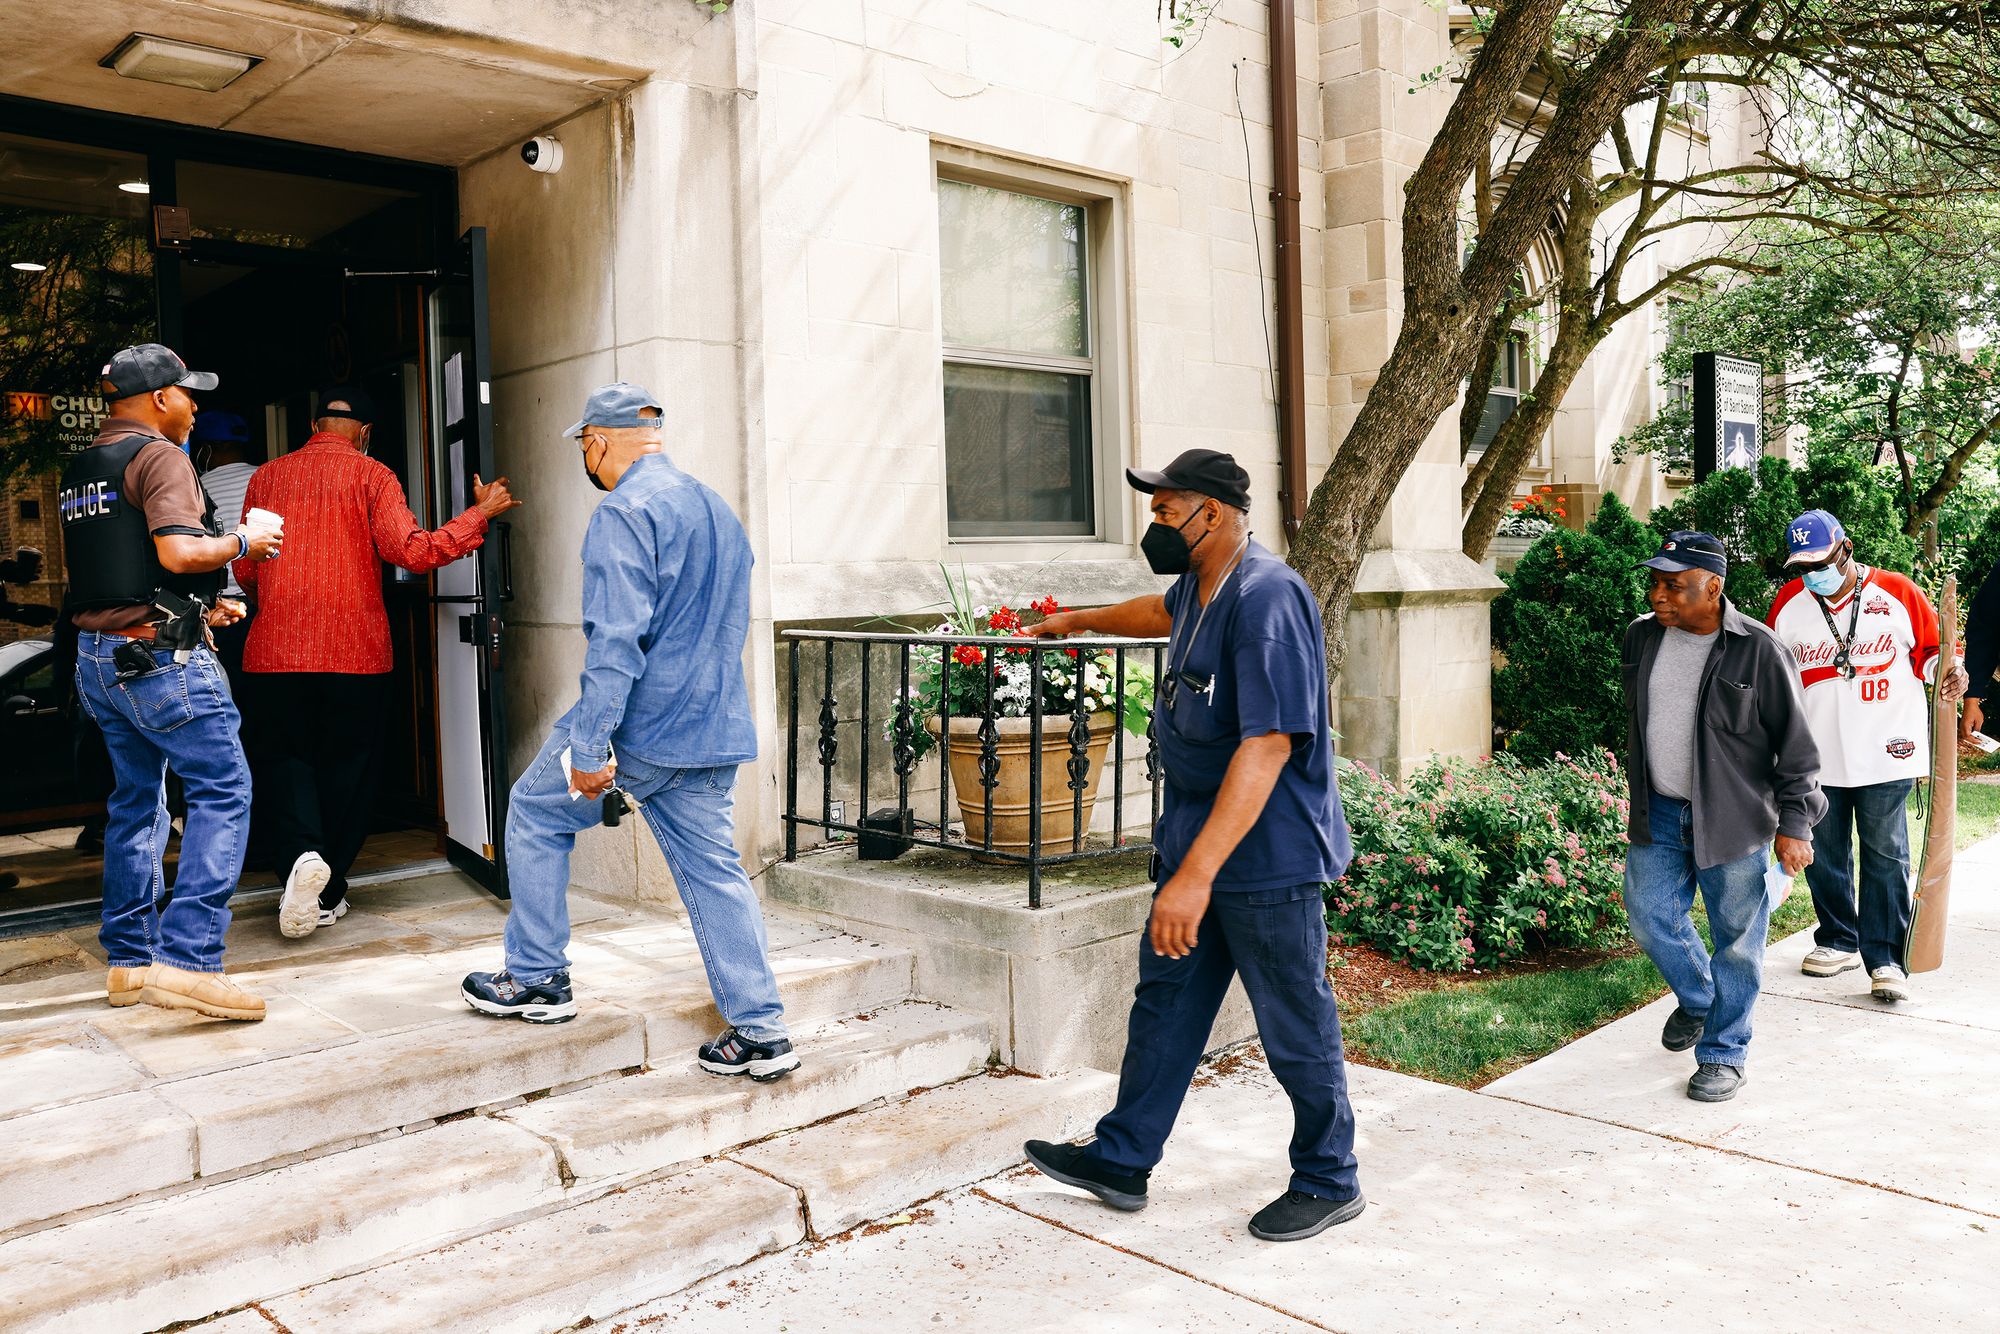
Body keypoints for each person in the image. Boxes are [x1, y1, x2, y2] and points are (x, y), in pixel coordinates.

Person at [1017, 449, 1362, 1244]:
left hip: (1265, 857)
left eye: (1167, 511)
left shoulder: (1266, 597)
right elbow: (1161, 614)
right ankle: (1122, 1157)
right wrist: (1077, 622)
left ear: (1216, 513)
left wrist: (1193, 878)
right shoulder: (1203, 587)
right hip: (1199, 844)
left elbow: (1269, 745)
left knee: (1294, 1023)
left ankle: (1329, 1177)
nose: (1155, 524)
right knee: (1165, 1007)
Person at [460, 384, 797, 1076]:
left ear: (598, 442)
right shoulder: (716, 509)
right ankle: (761, 1031)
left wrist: (589, 748)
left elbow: (616, 643)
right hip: (713, 724)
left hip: (641, 731)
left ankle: (536, 978)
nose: (586, 457)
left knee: (530, 809)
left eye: (585, 446)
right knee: (715, 875)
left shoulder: (624, 512)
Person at [234, 385, 517, 938]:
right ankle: (329, 886)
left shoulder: (266, 477)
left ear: (314, 425)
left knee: (284, 763)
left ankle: (299, 863)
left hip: (275, 653)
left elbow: (247, 566)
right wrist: (476, 517)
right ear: (365, 432)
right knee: (348, 771)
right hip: (355, 654)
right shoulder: (373, 474)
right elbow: (411, 550)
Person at [57, 343, 282, 1021]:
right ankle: (190, 960)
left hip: (99, 656)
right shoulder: (161, 456)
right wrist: (246, 542)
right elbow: (180, 551)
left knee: (136, 803)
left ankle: (129, 962)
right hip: (158, 659)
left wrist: (200, 602)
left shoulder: (82, 468)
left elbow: (107, 570)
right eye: (189, 393)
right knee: (223, 790)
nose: (194, 406)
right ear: (159, 397)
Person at [1622, 531, 1825, 1103]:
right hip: (1660, 812)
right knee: (1648, 914)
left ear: (1713, 587)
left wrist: (1796, 825)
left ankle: (1723, 1053)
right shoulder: (1642, 637)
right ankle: (1701, 999)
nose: (1659, 595)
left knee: (1737, 941)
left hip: (1735, 820)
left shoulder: (1759, 649)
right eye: (1656, 582)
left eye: (1674, 585)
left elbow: (1799, 748)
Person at [1768, 511, 1965, 1001]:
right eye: (1802, 566)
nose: (1813, 574)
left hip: (1886, 750)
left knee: (1886, 853)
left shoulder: (1896, 591)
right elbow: (1771, 668)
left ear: (1846, 549)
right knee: (1825, 854)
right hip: (1814, 758)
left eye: (1821, 562)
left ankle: (1885, 958)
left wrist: (1950, 670)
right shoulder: (1790, 604)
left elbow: (1934, 650)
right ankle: (1838, 938)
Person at [192, 410, 260, 692]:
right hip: (261, 602)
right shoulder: (263, 476)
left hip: (220, 609)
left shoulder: (198, 486)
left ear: (206, 449)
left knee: (227, 689)